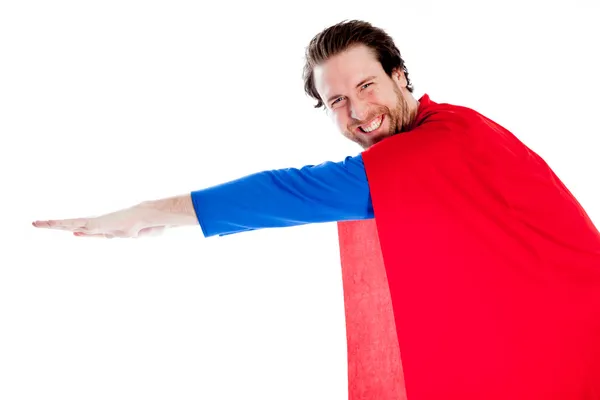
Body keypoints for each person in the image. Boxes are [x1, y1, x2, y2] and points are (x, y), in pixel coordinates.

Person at [32, 20, 600, 399]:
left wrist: (149, 209)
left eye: (368, 85)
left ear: (401, 76)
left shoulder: (440, 144)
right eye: (338, 101)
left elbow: (297, 192)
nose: (359, 111)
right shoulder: (452, 130)